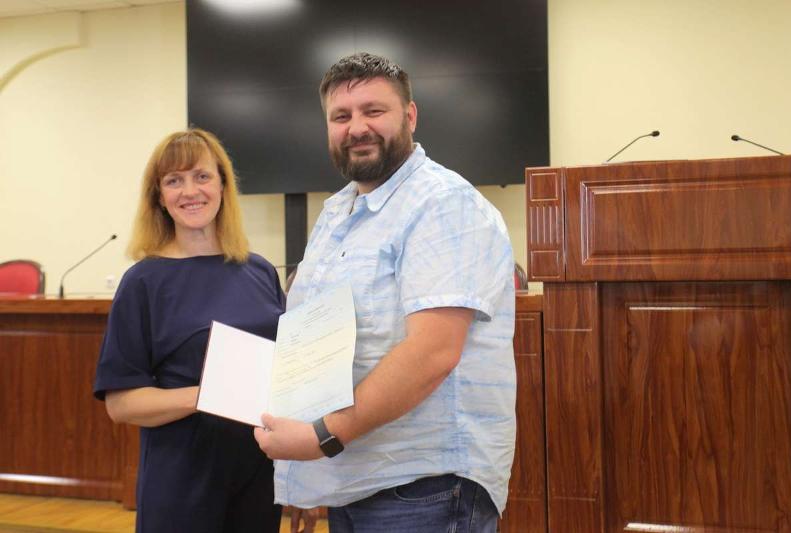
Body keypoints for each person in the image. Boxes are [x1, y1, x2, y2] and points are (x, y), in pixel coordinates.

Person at [254, 53, 516, 532]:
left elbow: (432, 352)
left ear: (410, 116)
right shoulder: (337, 213)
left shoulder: (443, 203)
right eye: (341, 116)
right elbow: (313, 343)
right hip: (352, 476)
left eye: (373, 111)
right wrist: (308, 473)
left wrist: (322, 438)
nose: (357, 127)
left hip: (425, 486)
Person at [93, 129, 309, 532]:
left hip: (259, 477)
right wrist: (212, 393)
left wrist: (303, 478)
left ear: (223, 186)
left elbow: (288, 380)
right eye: (174, 180)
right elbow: (121, 405)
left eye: (202, 176)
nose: (190, 191)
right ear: (159, 196)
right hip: (182, 482)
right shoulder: (142, 283)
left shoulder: (259, 270)